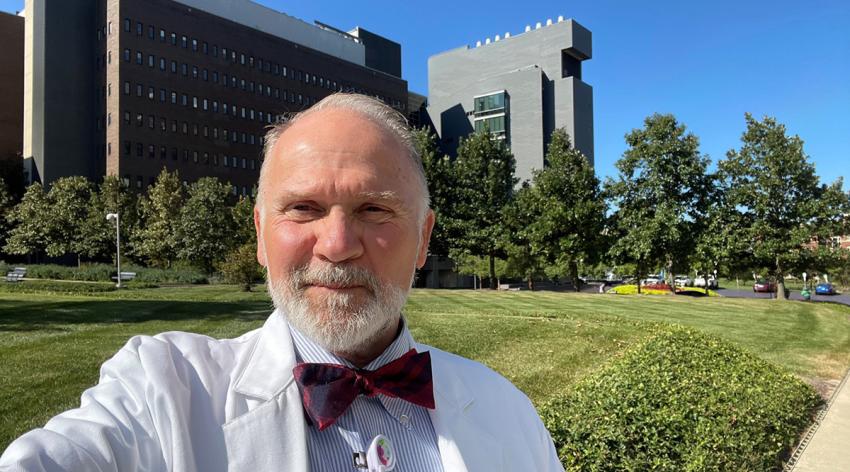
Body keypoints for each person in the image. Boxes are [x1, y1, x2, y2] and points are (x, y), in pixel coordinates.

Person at [0, 94, 563, 471]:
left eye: (374, 208)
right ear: (262, 233)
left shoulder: (508, 409)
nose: (337, 243)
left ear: (422, 238)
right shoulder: (161, 389)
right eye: (303, 208)